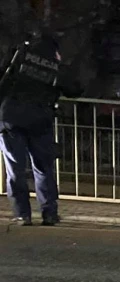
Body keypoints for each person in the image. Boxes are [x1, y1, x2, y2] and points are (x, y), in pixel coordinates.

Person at [0, 31, 71, 226]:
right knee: (43, 168)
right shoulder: (55, 64)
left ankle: (22, 214)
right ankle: (49, 213)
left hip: (11, 118)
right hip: (40, 120)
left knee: (15, 169)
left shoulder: (19, 54)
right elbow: (74, 89)